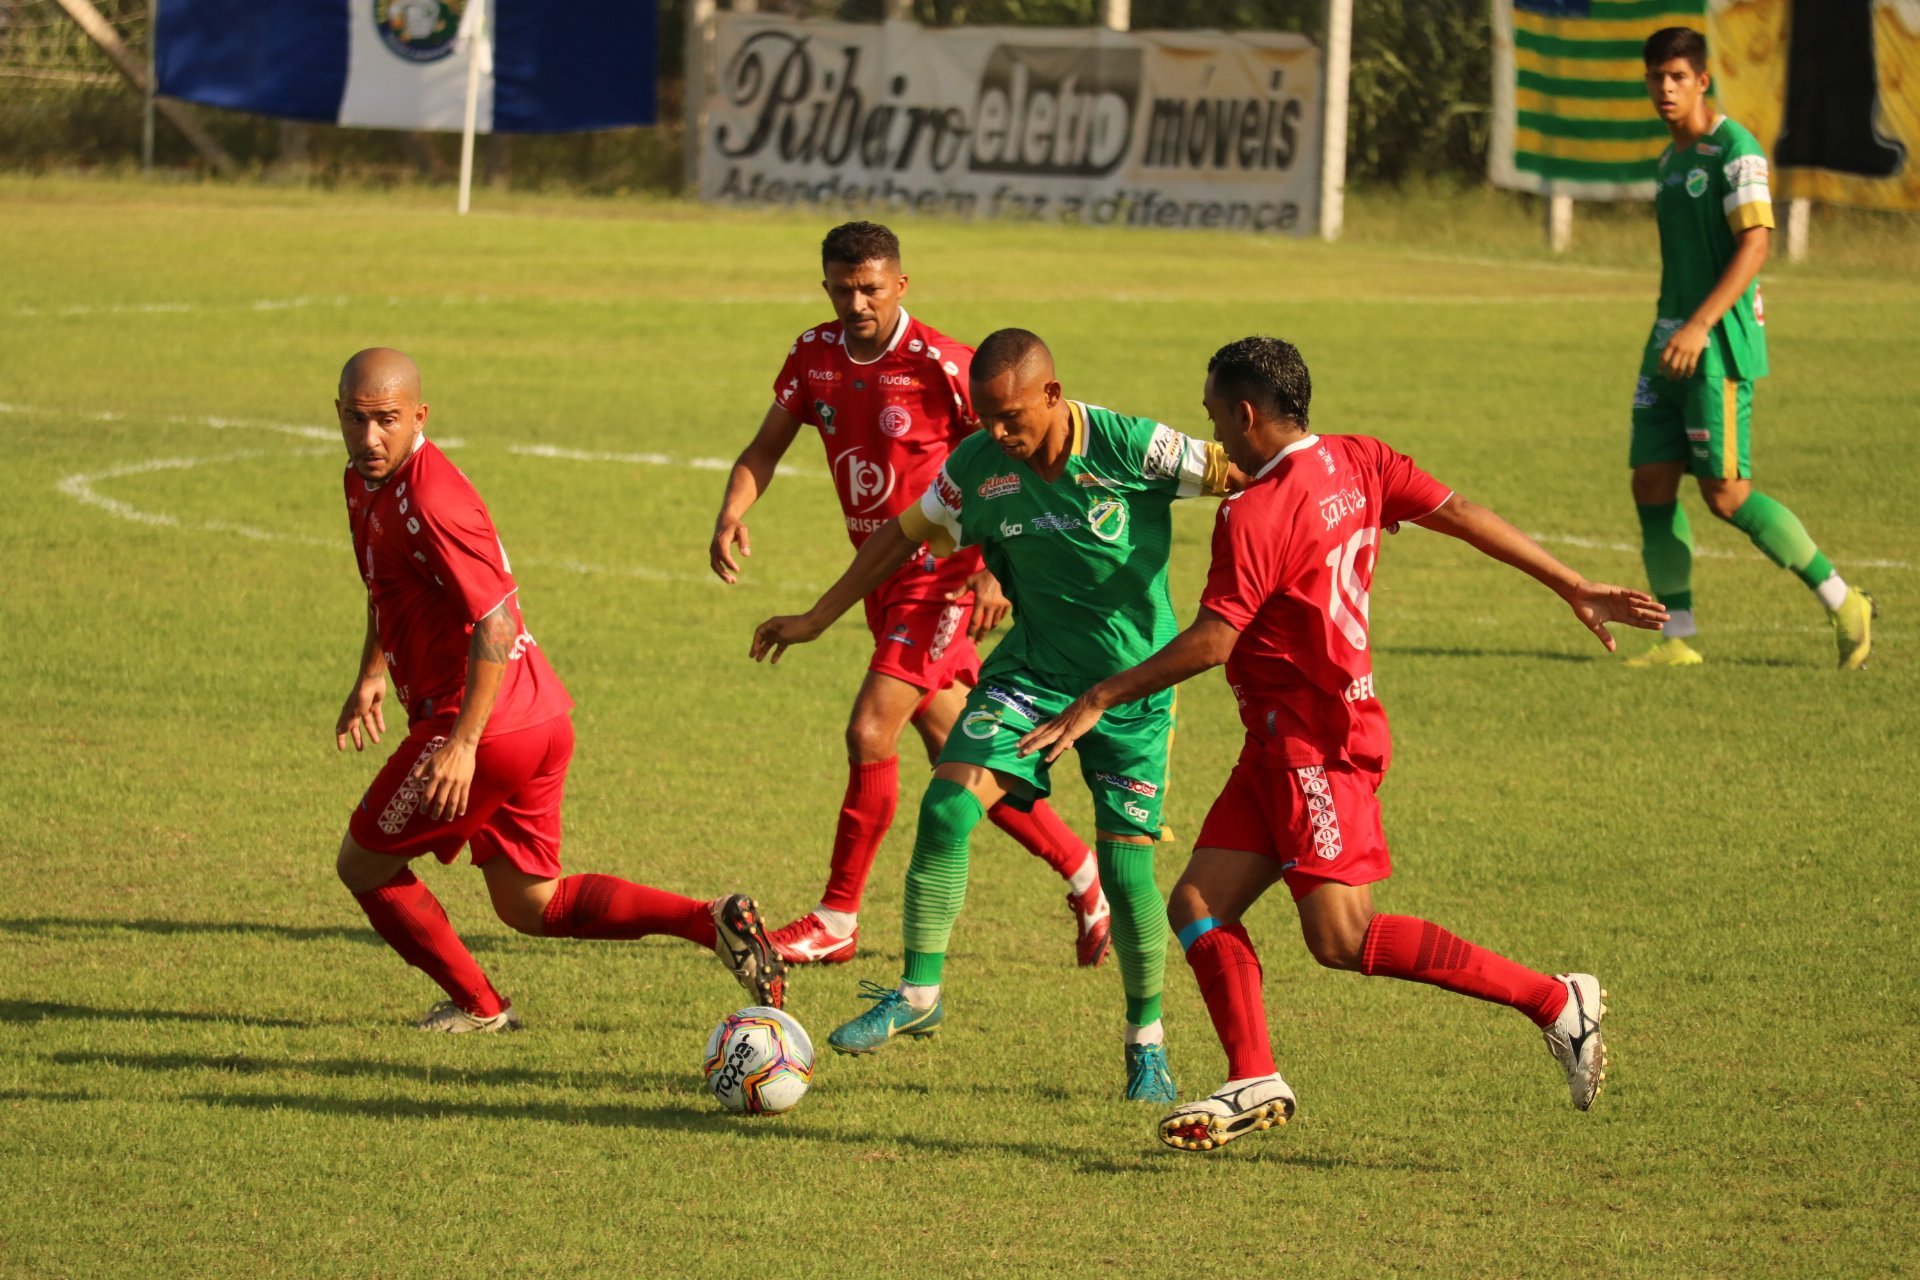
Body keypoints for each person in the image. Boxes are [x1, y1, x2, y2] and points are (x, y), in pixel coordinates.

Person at [1018, 337, 1668, 1150]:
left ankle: (1554, 1000)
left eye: (1216, 415)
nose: (1214, 431)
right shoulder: (1358, 459)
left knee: (1342, 936)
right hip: (1279, 741)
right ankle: (1253, 1074)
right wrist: (1570, 582)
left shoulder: (1252, 510)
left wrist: (1103, 693)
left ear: (1247, 413)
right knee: (1197, 905)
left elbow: (1216, 641)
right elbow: (1460, 514)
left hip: (1317, 744)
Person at [751, 328, 1241, 1102]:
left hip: (1132, 687)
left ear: (1053, 394)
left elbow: (1247, 471)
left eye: (1012, 417)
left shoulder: (1130, 447)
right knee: (946, 808)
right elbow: (901, 537)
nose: (999, 435)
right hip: (1035, 674)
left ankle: (1146, 1039)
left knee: (1126, 872)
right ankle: (918, 993)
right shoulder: (979, 467)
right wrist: (817, 616)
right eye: (986, 419)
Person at [333, 348, 783, 1031]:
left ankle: (479, 1007)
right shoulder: (366, 480)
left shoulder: (431, 497)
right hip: (539, 715)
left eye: (387, 421)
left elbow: (495, 621)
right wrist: (371, 674)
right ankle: (709, 920)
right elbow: (384, 586)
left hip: (485, 724)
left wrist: (463, 744)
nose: (370, 438)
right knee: (530, 904)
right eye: (358, 421)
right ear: (338, 415)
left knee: (364, 863)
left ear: (420, 416)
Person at [713, 222, 1109, 968]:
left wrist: (995, 569)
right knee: (961, 753)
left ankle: (837, 917)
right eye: (842, 288)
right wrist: (734, 508)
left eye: (870, 287)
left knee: (869, 732)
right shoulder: (814, 355)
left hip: (943, 576)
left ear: (900, 284)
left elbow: (1017, 461)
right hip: (880, 576)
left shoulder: (944, 364)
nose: (855, 301)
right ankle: (1087, 877)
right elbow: (763, 449)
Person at [1627, 26, 1874, 669]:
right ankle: (1676, 639)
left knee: (1726, 495)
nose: (1665, 88)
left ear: (1703, 81)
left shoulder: (1736, 152)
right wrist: (1675, 329)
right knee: (1651, 480)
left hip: (1716, 346)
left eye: (1678, 77)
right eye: (1656, 77)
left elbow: (1757, 245)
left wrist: (1700, 325)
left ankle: (1845, 601)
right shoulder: (1669, 160)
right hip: (1668, 342)